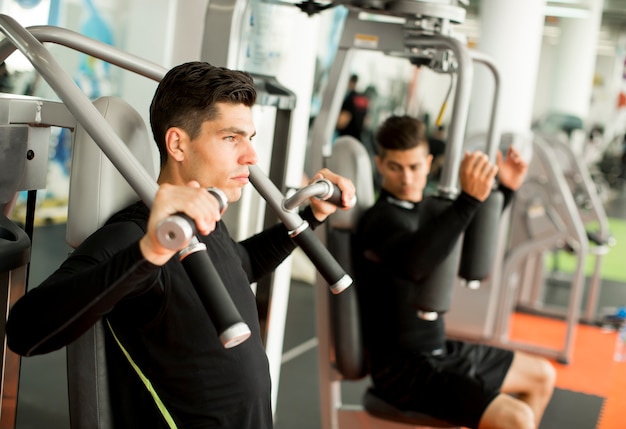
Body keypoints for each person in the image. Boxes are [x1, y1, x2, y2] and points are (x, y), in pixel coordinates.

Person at [6, 61, 355, 429]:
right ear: (177, 143)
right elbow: (25, 331)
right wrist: (150, 252)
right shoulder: (133, 235)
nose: (251, 157)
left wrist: (312, 216)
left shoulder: (204, 218)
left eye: (249, 139)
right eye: (231, 138)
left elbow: (241, 265)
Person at [354, 115, 555, 429]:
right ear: (379, 164)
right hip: (405, 371)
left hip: (441, 352)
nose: (407, 178)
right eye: (396, 167)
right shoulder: (380, 220)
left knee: (542, 375)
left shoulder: (429, 211)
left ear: (429, 162)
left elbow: (459, 240)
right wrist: (468, 199)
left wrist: (507, 189)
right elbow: (415, 264)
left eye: (415, 167)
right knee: (517, 419)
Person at [336, 73, 369, 141]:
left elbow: (341, 123)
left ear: (351, 82)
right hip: (357, 140)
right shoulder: (364, 100)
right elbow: (366, 123)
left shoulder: (350, 99)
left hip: (345, 140)